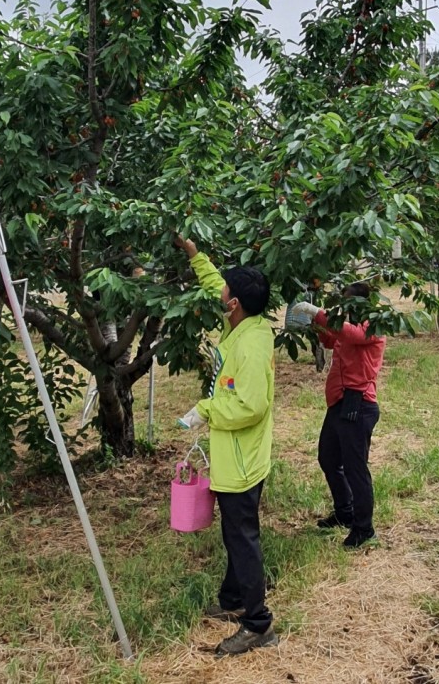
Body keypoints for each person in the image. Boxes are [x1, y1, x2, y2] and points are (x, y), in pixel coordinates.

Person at [174, 234, 279, 657]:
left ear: (233, 303)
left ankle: (258, 624)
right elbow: (214, 282)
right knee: (235, 533)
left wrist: (206, 409)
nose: (221, 293)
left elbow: (250, 406)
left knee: (242, 537)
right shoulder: (243, 322)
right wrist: (196, 256)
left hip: (241, 458)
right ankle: (233, 598)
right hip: (235, 454)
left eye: (226, 292)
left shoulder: (251, 346)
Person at [291, 283, 386, 548]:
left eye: (348, 304)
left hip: (359, 403)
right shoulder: (346, 325)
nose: (344, 309)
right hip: (339, 402)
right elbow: (331, 338)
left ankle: (364, 529)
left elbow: (353, 335)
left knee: (356, 469)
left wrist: (319, 312)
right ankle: (344, 512)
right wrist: (315, 323)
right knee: (328, 457)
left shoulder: (373, 326)